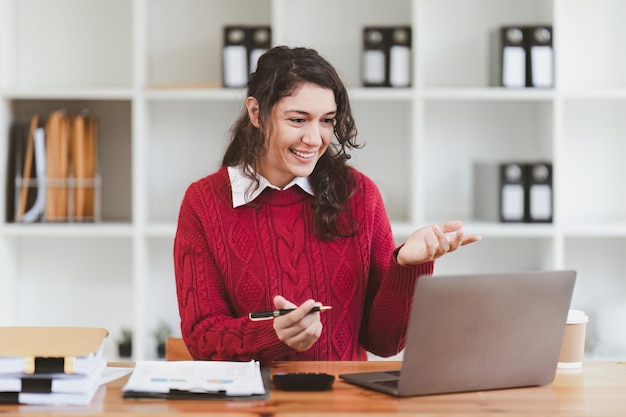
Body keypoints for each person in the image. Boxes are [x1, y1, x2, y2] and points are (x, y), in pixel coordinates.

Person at [173, 45, 481, 365]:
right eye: (298, 120)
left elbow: (385, 343)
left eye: (326, 121)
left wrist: (407, 266)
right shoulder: (204, 203)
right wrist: (272, 335)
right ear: (256, 113)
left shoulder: (359, 195)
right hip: (254, 405)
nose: (314, 138)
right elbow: (202, 339)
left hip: (344, 405)